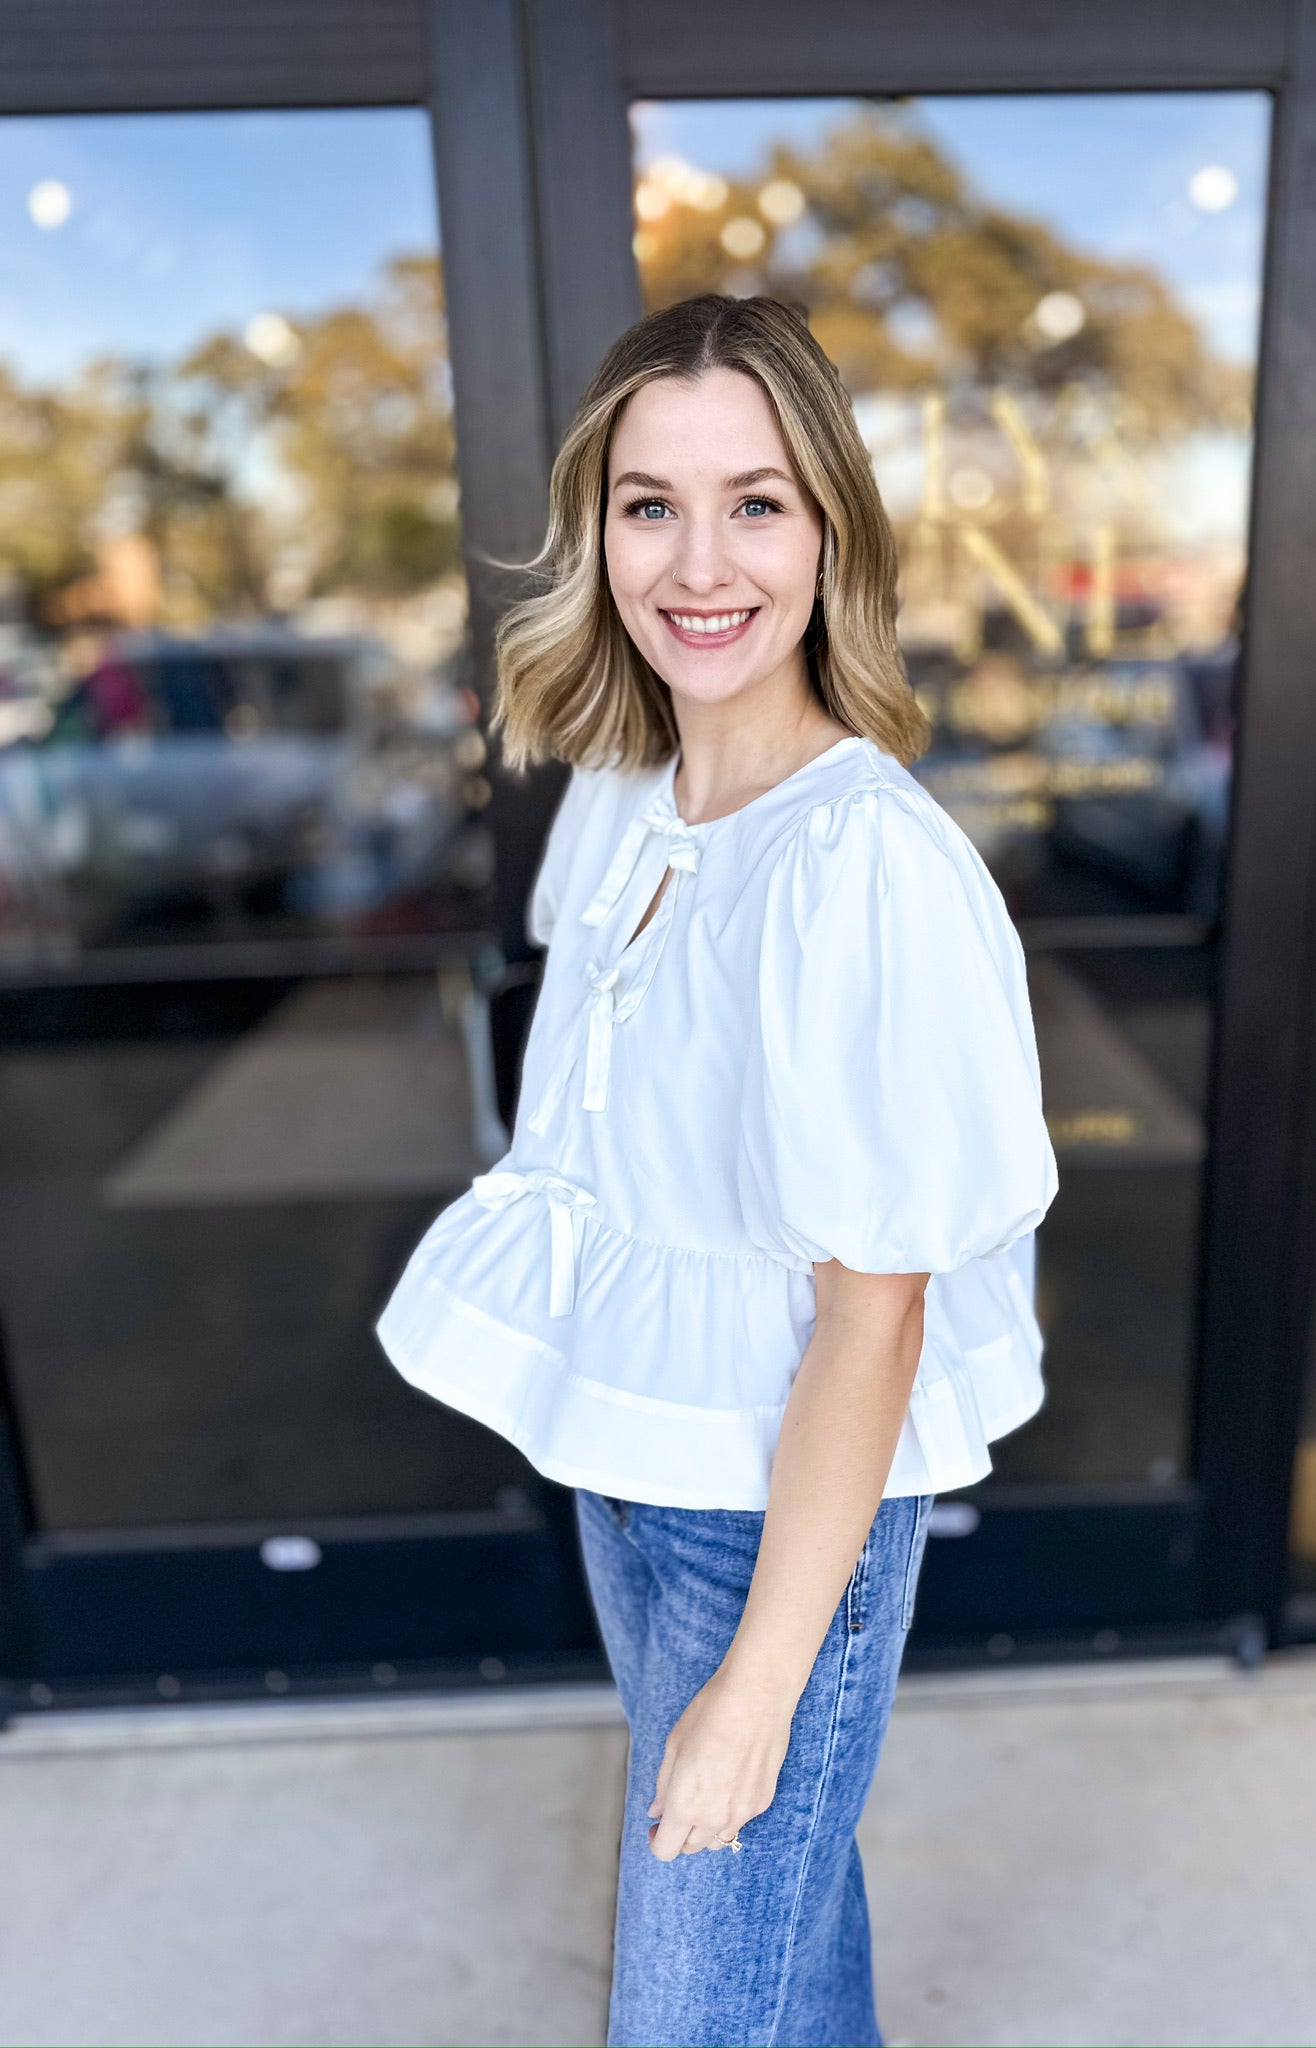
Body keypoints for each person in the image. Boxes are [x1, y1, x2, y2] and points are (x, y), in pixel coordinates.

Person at [376, 293, 1058, 2047]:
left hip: (777, 1532)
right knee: (784, 1938)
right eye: (649, 503)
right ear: (596, 532)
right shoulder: (631, 791)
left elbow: (879, 1311)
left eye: (756, 501)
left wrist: (763, 1684)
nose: (700, 560)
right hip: (637, 1470)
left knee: (690, 2016)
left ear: (832, 528)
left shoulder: (867, 866)